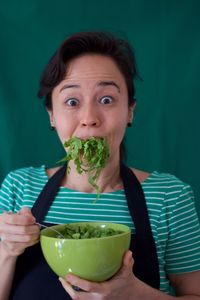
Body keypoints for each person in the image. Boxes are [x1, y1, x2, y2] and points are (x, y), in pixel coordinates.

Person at [0, 31, 200, 300]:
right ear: (52, 116)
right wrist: (6, 251)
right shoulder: (19, 187)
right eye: (72, 102)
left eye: (106, 99)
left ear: (130, 110)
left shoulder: (169, 196)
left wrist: (135, 294)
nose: (89, 118)